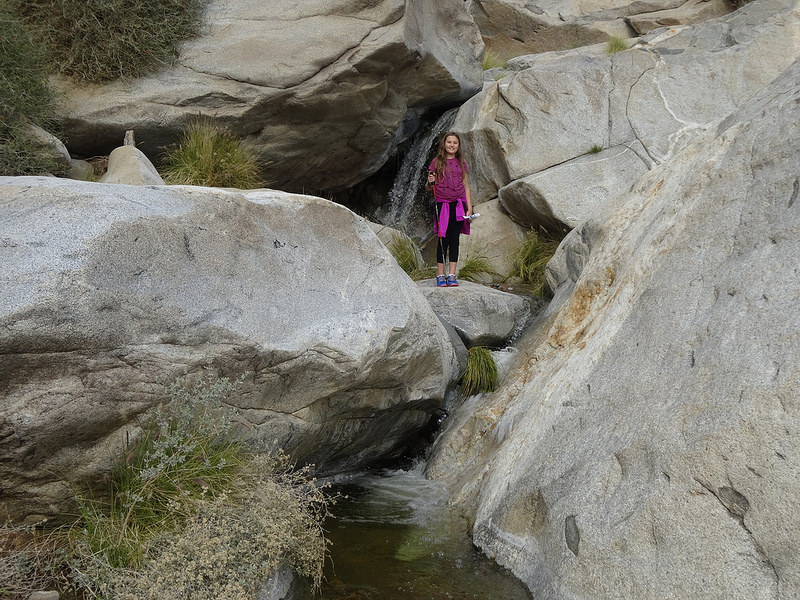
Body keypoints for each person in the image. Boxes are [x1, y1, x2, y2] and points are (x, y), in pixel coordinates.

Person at [426, 131, 473, 287]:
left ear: (458, 146)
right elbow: (428, 187)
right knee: (442, 239)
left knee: (454, 239)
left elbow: (466, 186)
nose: (452, 145)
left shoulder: (461, 163)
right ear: (444, 144)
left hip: (458, 205)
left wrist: (469, 207)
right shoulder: (436, 162)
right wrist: (430, 181)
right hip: (442, 204)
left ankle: (452, 274)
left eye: (455, 143)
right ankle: (440, 275)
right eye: (449, 142)